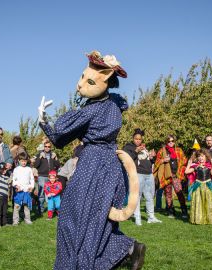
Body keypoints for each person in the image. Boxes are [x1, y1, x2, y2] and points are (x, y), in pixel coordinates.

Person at [39, 51, 145, 269]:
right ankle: (128, 249)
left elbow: (58, 136)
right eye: (81, 77)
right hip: (113, 167)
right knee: (99, 219)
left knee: (72, 215)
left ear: (105, 81)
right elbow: (116, 101)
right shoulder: (114, 104)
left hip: (92, 164)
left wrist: (42, 119)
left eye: (88, 81)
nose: (79, 85)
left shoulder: (90, 111)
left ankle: (79, 264)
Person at [123, 128, 161, 225]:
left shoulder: (143, 147)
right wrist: (135, 151)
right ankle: (137, 218)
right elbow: (127, 159)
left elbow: (147, 160)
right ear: (133, 138)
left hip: (148, 174)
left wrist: (152, 157)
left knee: (149, 196)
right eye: (136, 139)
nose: (138, 141)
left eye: (140, 139)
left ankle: (151, 217)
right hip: (138, 174)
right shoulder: (128, 147)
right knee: (137, 197)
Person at [153, 135, 188, 219]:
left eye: (172, 141)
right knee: (168, 194)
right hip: (166, 176)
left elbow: (184, 162)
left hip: (176, 175)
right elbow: (156, 163)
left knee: (179, 193)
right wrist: (163, 160)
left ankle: (184, 210)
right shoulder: (162, 151)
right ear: (166, 142)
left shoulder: (179, 150)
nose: (171, 142)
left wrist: (180, 173)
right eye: (169, 141)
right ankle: (171, 211)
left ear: (174, 141)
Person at [185, 149, 212, 225]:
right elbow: (186, 171)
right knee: (198, 202)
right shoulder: (195, 166)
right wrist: (189, 164)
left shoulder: (209, 165)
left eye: (202, 156)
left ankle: (209, 219)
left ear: (206, 157)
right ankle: (198, 219)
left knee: (209, 201)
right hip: (198, 186)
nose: (200, 158)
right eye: (199, 156)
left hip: (208, 186)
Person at [33, 141, 60, 215]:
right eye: (46, 146)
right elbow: (35, 165)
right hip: (42, 176)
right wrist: (39, 158)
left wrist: (56, 158)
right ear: (43, 147)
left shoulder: (53, 154)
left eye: (49, 146)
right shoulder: (39, 154)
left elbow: (58, 166)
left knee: (53, 193)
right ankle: (40, 210)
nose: (47, 148)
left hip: (51, 177)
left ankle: (52, 210)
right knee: (41, 194)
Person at [12, 152, 34, 225]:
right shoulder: (16, 169)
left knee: (26, 206)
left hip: (27, 190)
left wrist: (31, 187)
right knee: (17, 206)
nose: (24, 162)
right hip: (19, 191)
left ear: (27, 161)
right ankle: (15, 221)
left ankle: (27, 219)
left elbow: (32, 179)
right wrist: (16, 186)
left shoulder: (29, 169)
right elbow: (14, 179)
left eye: (25, 161)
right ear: (19, 161)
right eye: (22, 161)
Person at [0, 162, 11, 228]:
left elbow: (10, 181)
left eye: (5, 169)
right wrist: (0, 167)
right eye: (2, 169)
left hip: (5, 196)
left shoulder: (7, 177)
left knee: (4, 210)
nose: (4, 171)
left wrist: (8, 168)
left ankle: (4, 222)